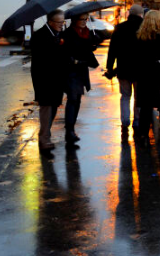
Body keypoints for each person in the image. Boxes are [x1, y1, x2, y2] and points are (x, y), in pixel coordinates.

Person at [132, 10, 160, 144]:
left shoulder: (140, 36)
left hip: (144, 76)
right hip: (159, 75)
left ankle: (144, 135)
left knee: (146, 106)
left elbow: (136, 57)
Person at [62, 12, 104, 144]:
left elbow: (88, 47)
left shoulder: (86, 32)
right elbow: (66, 51)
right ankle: (69, 130)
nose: (85, 21)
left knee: (78, 99)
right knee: (73, 99)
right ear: (74, 20)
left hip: (82, 70)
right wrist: (75, 60)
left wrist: (93, 43)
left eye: (86, 19)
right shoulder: (68, 34)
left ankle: (71, 128)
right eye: (82, 19)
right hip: (71, 70)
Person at [30, 9, 68, 152]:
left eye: (63, 22)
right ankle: (44, 138)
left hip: (57, 78)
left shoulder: (58, 34)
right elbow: (43, 59)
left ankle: (45, 135)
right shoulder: (40, 36)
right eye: (59, 22)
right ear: (50, 22)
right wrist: (57, 45)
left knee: (53, 106)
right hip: (44, 78)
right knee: (46, 108)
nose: (61, 25)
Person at [104, 4, 144, 136]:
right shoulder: (144, 28)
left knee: (125, 96)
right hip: (140, 69)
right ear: (140, 14)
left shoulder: (120, 27)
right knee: (139, 97)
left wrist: (110, 67)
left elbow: (112, 50)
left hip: (123, 69)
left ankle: (125, 121)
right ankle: (137, 120)